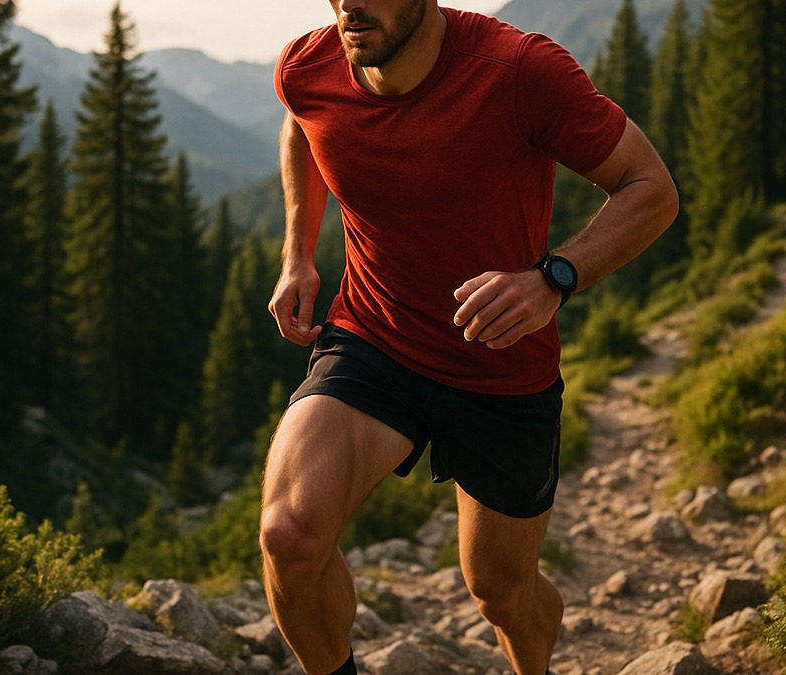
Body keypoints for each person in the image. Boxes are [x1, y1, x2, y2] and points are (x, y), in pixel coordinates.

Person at [259, 2, 679, 673]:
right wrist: (298, 251)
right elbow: (303, 122)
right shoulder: (311, 64)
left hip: (500, 368)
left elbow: (651, 188)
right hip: (374, 336)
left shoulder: (517, 71)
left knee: (502, 593)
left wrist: (553, 278)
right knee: (289, 532)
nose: (349, 4)